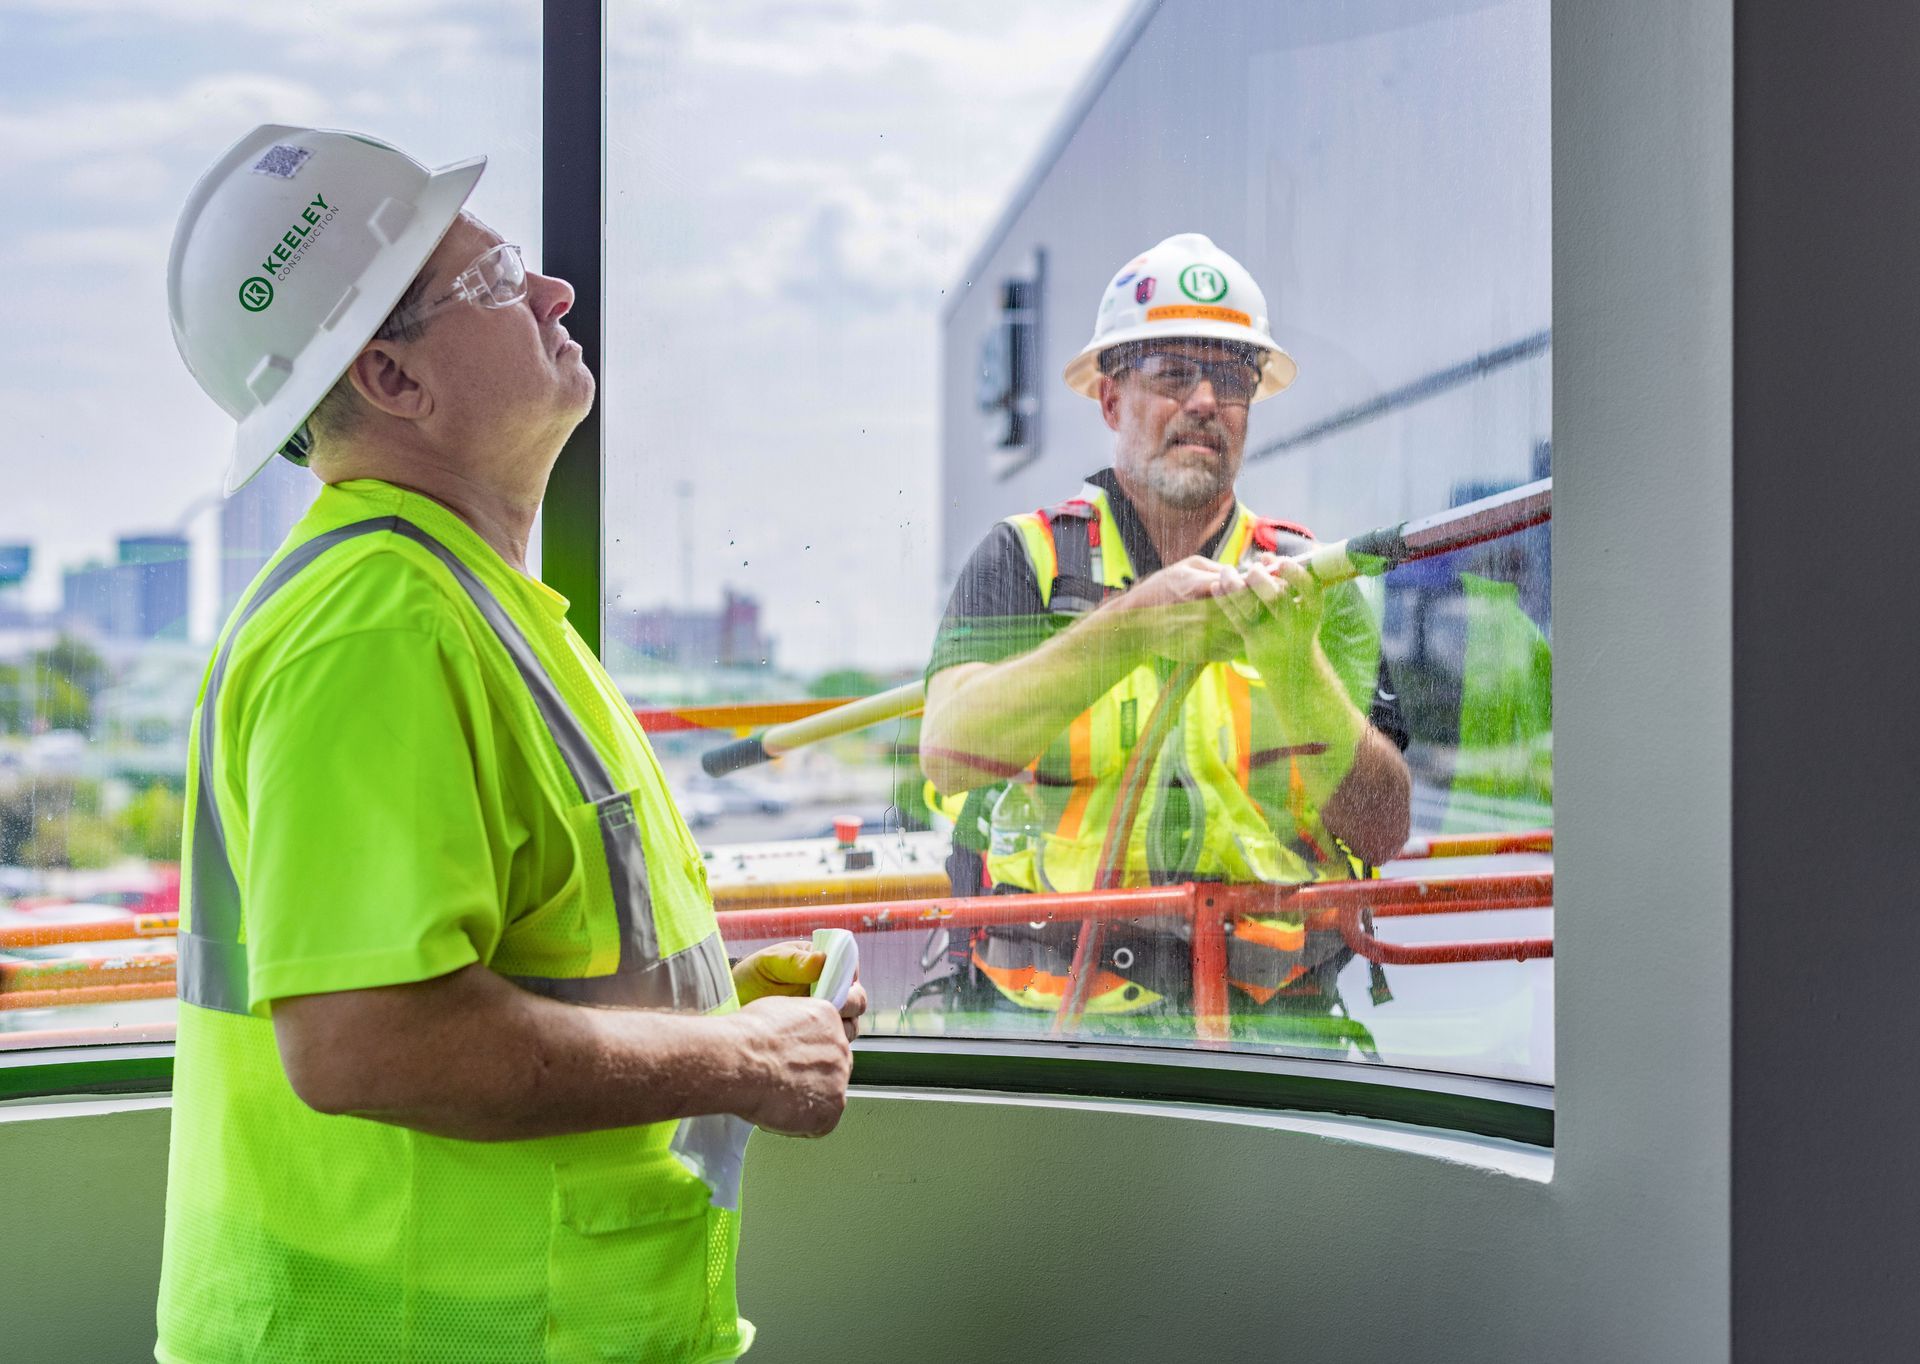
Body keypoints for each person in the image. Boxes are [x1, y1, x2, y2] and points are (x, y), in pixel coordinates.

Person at [156, 125, 863, 1364]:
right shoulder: (374, 624)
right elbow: (370, 1037)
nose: (555, 291)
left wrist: (707, 1008)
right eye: (495, 282)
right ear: (392, 379)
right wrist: (734, 1054)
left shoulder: (470, 602)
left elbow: (529, 956)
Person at [920, 232, 1411, 1026]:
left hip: (1275, 1042)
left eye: (1231, 378)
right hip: (1055, 1047)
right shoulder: (1024, 561)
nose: (1206, 402)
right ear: (1110, 401)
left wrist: (1292, 665)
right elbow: (947, 755)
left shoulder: (1312, 586)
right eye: (1174, 374)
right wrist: (1128, 630)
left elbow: (1383, 831)